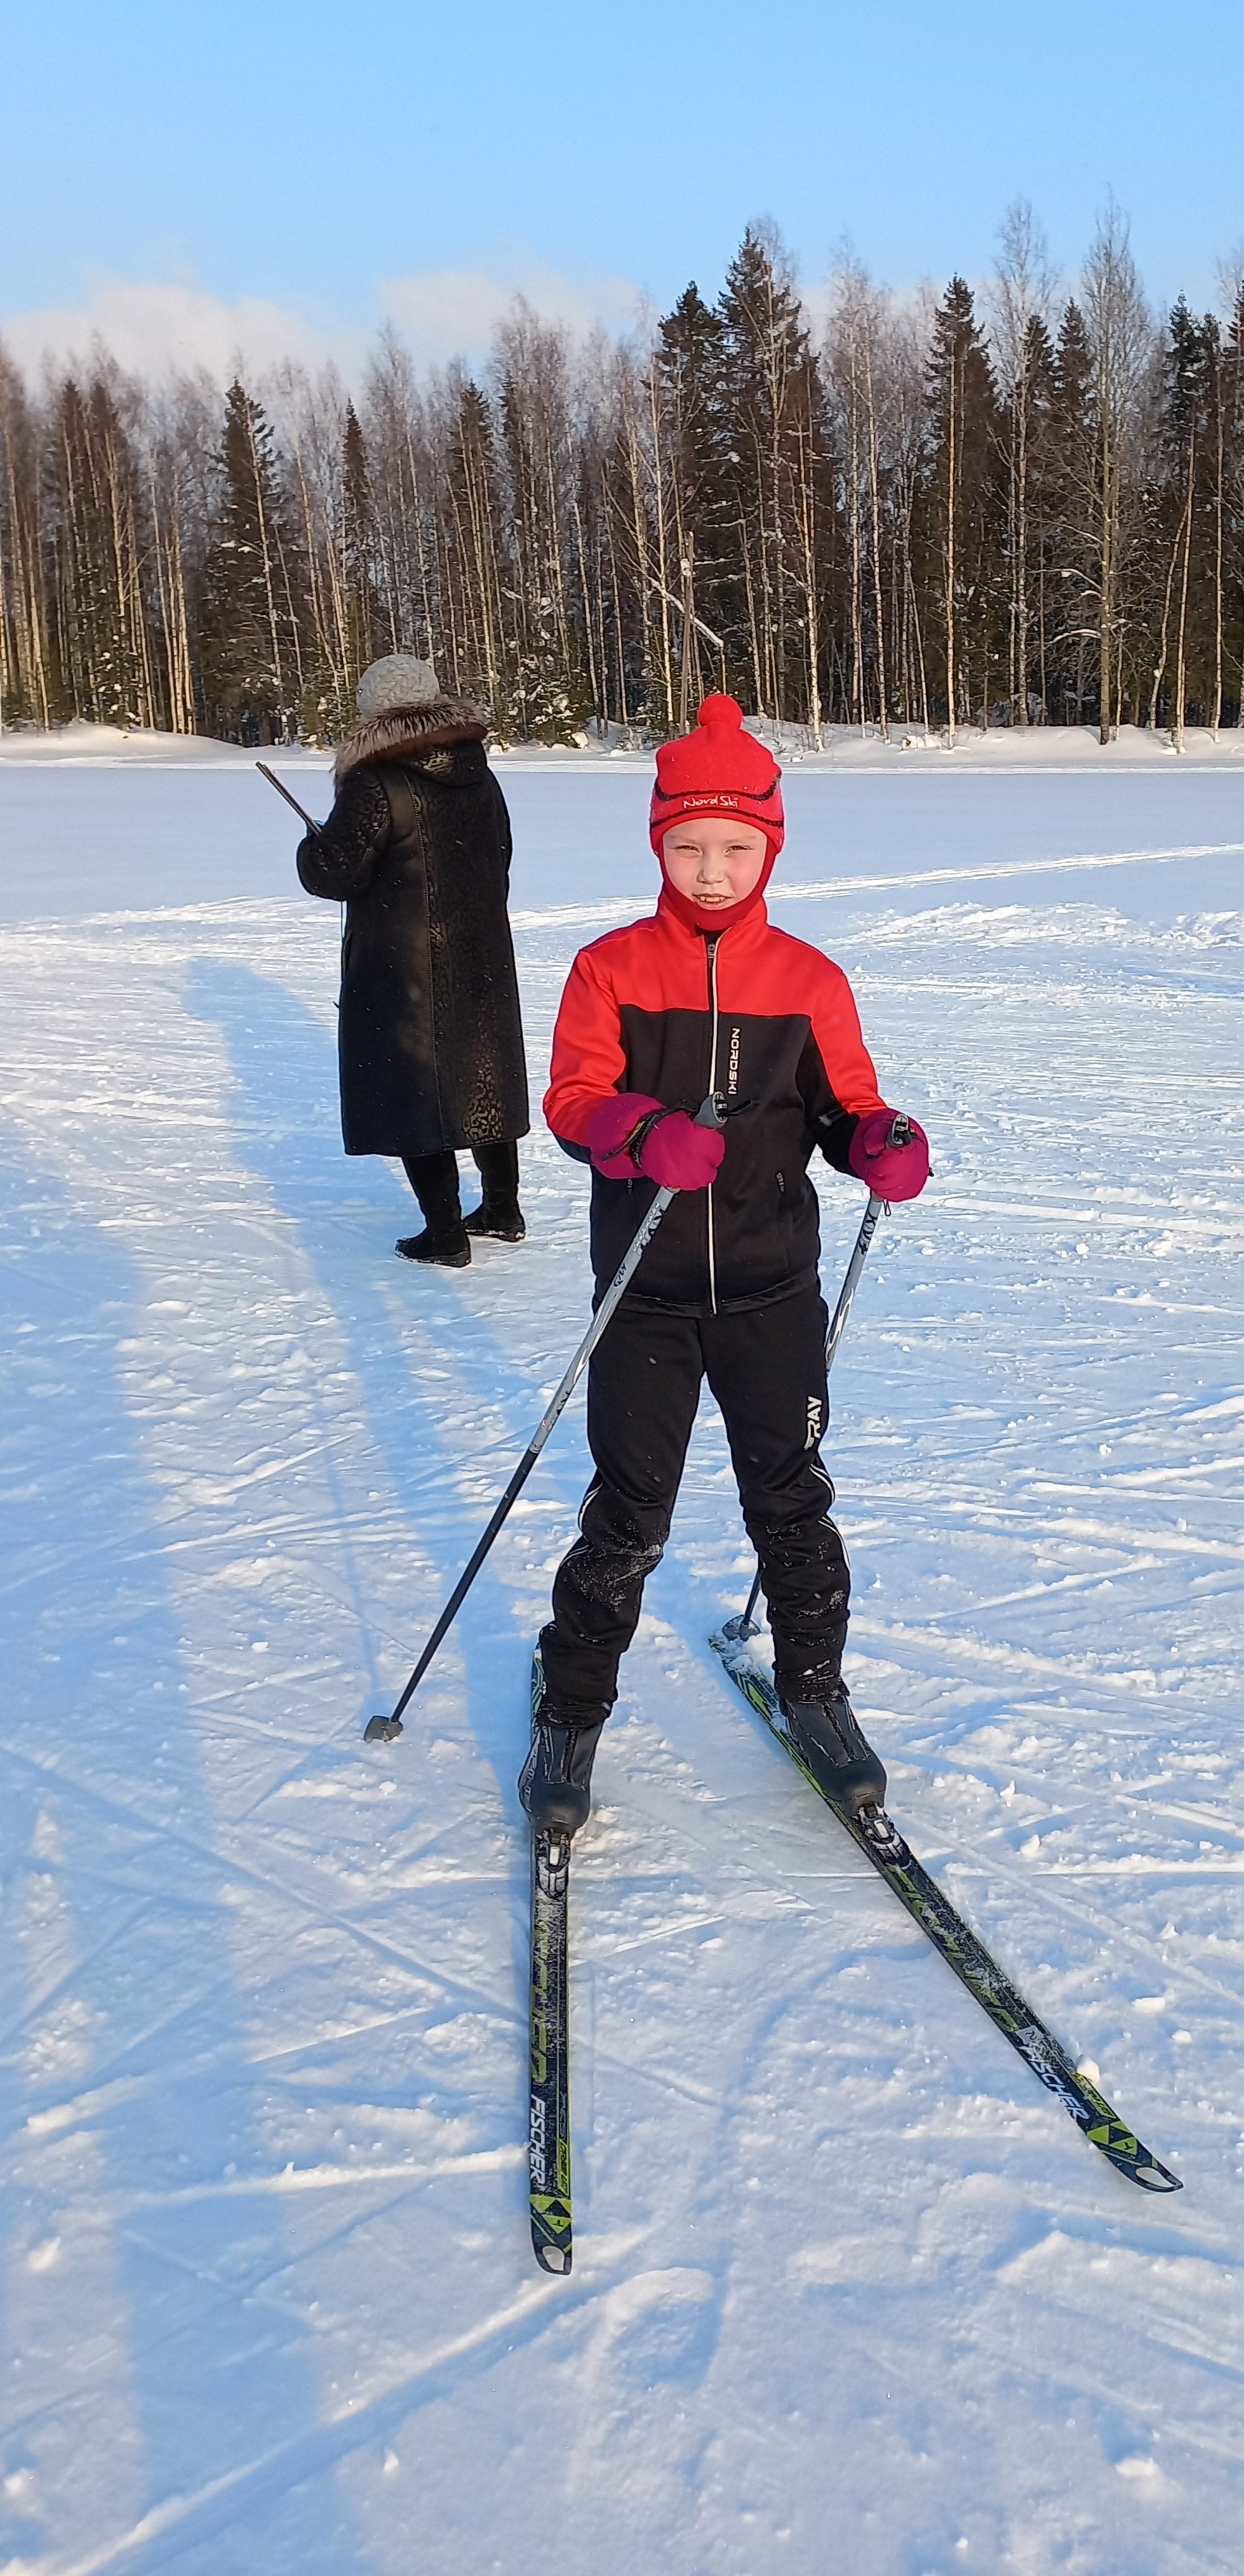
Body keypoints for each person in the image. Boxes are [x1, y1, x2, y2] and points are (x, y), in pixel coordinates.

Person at [518, 691, 930, 1837]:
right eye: (688, 844)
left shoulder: (808, 981)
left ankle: (813, 1686)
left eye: (733, 847)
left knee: (791, 1502)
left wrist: (879, 1145)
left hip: (770, 1292)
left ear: (769, 846)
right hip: (645, 1295)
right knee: (628, 1512)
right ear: (658, 841)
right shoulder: (609, 968)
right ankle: (571, 1703)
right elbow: (570, 1101)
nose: (709, 869)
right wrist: (641, 1133)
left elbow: (849, 1107)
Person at [296, 655, 530, 1265]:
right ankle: (503, 1209)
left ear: (373, 710)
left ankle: (445, 1233)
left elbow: (335, 873)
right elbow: (500, 854)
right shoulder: (479, 772)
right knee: (484, 1076)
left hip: (403, 965)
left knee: (416, 1090)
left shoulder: (375, 780)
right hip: (481, 949)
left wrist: (312, 844)